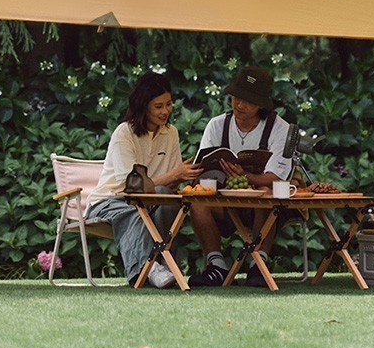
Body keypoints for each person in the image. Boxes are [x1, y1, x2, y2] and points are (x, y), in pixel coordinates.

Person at [85, 71, 202, 287]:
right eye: (158, 106)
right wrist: (174, 174)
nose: (165, 111)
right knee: (133, 212)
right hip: (110, 201)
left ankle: (165, 263)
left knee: (169, 198)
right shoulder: (124, 133)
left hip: (149, 200)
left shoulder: (171, 133)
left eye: (168, 104)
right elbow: (132, 185)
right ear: (143, 106)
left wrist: (187, 175)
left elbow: (169, 183)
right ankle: (147, 269)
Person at [188, 64, 295, 287]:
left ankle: (259, 264)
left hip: (263, 206)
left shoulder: (280, 129)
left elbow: (276, 177)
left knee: (265, 191)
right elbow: (201, 169)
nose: (239, 104)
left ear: (261, 104)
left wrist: (246, 177)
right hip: (224, 202)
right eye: (236, 97)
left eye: (248, 100)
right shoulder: (217, 125)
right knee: (198, 201)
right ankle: (217, 265)